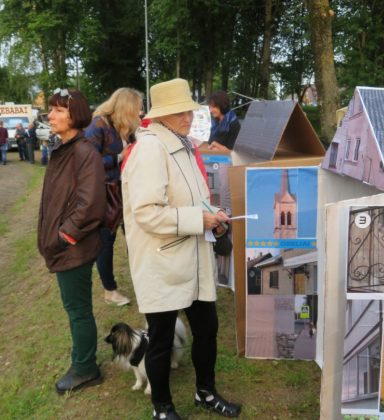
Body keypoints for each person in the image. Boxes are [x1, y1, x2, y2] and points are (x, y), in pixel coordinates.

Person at [122, 78, 241, 420]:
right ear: (161, 115)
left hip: (193, 256)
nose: (188, 116)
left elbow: (194, 197)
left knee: (207, 330)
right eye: (180, 112)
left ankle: (205, 392)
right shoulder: (150, 149)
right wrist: (198, 219)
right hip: (163, 262)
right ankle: (162, 409)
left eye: (189, 109)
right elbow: (147, 213)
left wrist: (213, 215)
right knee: (161, 340)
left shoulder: (183, 144)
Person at [37, 88, 106, 394]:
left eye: (58, 110)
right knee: (74, 308)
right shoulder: (64, 148)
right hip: (64, 246)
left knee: (78, 310)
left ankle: (85, 368)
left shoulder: (84, 153)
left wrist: (63, 237)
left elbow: (90, 206)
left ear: (74, 115)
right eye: (51, 109)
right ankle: (83, 362)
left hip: (73, 248)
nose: (50, 115)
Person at [85, 87, 143, 306]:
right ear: (125, 108)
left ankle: (143, 281)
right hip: (106, 194)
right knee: (106, 242)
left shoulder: (126, 127)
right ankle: (110, 290)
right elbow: (87, 164)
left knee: (136, 238)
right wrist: (119, 157)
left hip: (127, 191)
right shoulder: (98, 126)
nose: (139, 113)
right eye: (137, 108)